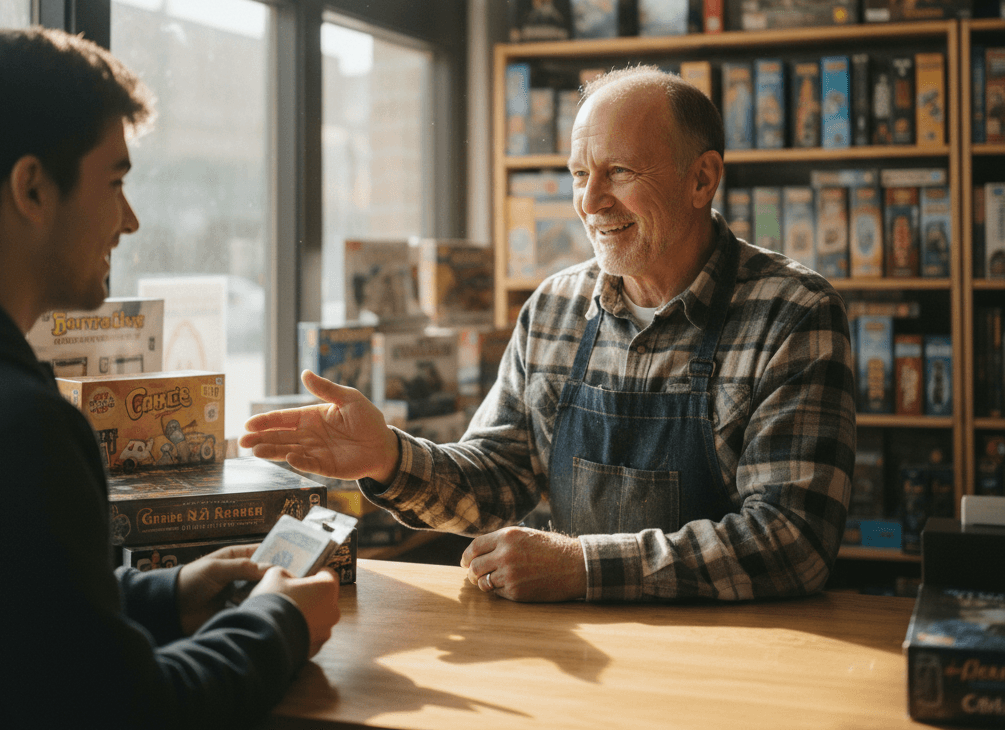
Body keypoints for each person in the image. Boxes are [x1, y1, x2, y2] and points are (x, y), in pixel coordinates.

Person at [242, 65, 856, 604]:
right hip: (582, 653)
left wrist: (583, 567)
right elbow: (496, 479)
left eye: (618, 171)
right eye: (579, 172)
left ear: (702, 180)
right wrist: (391, 457)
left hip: (744, 664)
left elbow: (791, 541)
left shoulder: (792, 315)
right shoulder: (556, 308)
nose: (590, 201)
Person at [0, 26, 340, 730]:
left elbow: (17, 614)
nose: (131, 220)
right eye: (114, 182)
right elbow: (127, 709)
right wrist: (279, 623)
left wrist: (163, 594)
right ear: (31, 188)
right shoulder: (23, 427)